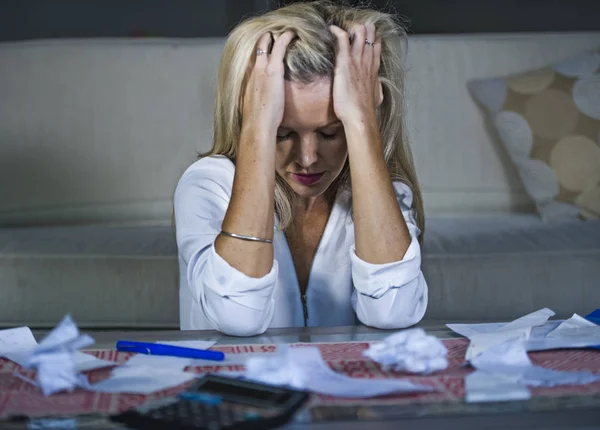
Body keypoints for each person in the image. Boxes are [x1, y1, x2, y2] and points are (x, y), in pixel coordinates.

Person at [174, 0, 427, 335]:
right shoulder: (207, 186)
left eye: (330, 132)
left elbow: (395, 312)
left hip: (339, 386)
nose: (307, 158)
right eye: (282, 133)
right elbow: (238, 316)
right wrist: (257, 129)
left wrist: (363, 121)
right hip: (235, 386)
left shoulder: (386, 194)